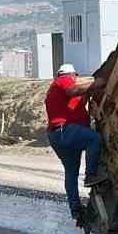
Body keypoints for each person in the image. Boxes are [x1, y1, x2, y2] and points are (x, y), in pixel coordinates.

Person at [45, 63, 104, 221]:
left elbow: (79, 95)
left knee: (71, 172)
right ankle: (91, 175)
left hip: (57, 135)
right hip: (65, 132)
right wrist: (96, 82)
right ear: (71, 75)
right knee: (94, 139)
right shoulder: (63, 81)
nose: (75, 79)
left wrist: (90, 89)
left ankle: (76, 209)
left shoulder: (59, 91)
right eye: (75, 77)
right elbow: (73, 89)